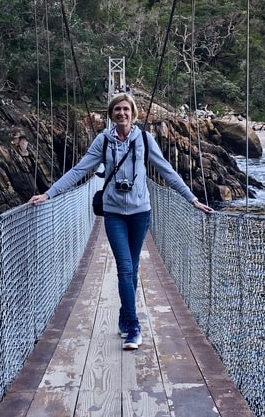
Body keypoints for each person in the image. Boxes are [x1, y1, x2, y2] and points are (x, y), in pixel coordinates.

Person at [28, 92, 212, 350]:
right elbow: (80, 170)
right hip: (113, 212)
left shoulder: (145, 140)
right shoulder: (103, 141)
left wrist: (191, 198)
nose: (122, 113)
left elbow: (166, 171)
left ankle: (125, 318)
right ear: (111, 114)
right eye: (117, 109)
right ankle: (134, 327)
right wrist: (50, 193)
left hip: (140, 213)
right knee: (125, 268)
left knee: (132, 270)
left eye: (126, 109)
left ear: (133, 113)